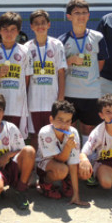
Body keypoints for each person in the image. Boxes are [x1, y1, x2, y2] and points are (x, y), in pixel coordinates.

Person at [58, 0, 109, 146]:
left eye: (84, 13)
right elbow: (59, 68)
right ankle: (71, 155)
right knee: (70, 127)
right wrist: (70, 61)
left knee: (89, 128)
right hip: (70, 92)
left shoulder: (97, 37)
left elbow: (100, 63)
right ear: (69, 16)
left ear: (88, 15)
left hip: (91, 92)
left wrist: (89, 76)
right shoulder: (62, 40)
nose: (81, 16)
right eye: (77, 13)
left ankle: (88, 156)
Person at [0, 12, 33, 138]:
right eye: (5, 29)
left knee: (16, 140)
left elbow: (27, 79)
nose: (9, 33)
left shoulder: (25, 51)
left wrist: (23, 98)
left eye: (13, 29)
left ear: (18, 31)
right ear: (0, 31)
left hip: (18, 106)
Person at [26, 9, 67, 147]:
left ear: (49, 24)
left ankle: (52, 160)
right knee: (35, 135)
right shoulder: (27, 47)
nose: (40, 26)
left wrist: (60, 98)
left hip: (52, 100)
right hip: (33, 101)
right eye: (36, 23)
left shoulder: (57, 45)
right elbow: (26, 77)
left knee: (53, 133)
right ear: (31, 26)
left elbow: (61, 73)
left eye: (43, 22)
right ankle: (37, 162)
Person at [36, 100, 89, 206]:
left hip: (64, 163)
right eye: (60, 120)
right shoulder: (45, 133)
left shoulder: (73, 132)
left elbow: (73, 164)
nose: (64, 125)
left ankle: (66, 181)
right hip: (46, 164)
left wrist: (76, 196)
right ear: (51, 119)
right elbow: (59, 159)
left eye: (68, 121)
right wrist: (68, 148)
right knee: (62, 170)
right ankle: (44, 182)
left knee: (85, 169)